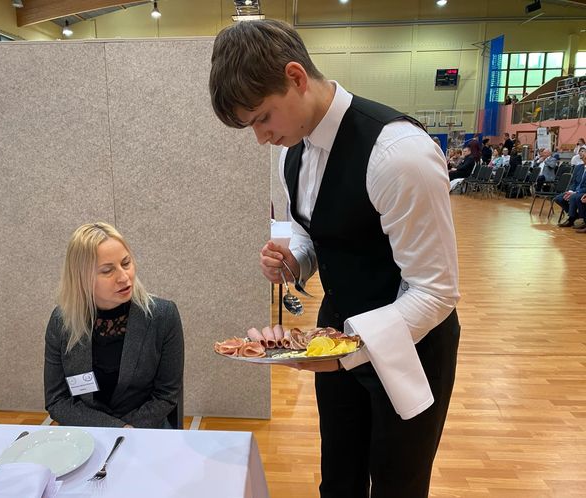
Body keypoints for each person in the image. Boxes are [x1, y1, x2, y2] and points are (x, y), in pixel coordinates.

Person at [210, 20, 460, 498]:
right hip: (337, 332)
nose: (261, 137)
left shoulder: (399, 154)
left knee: (398, 484)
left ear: (296, 77)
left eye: (263, 117)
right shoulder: (292, 153)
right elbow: (311, 231)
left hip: (412, 344)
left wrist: (345, 352)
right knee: (339, 478)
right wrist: (294, 259)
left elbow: (436, 290)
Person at [44, 222, 184, 429]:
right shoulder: (62, 322)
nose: (123, 277)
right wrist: (114, 428)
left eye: (126, 263)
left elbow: (166, 395)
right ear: (81, 278)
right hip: (86, 433)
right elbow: (57, 400)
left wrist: (129, 430)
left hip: (145, 430)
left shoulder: (162, 316)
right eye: (107, 270)